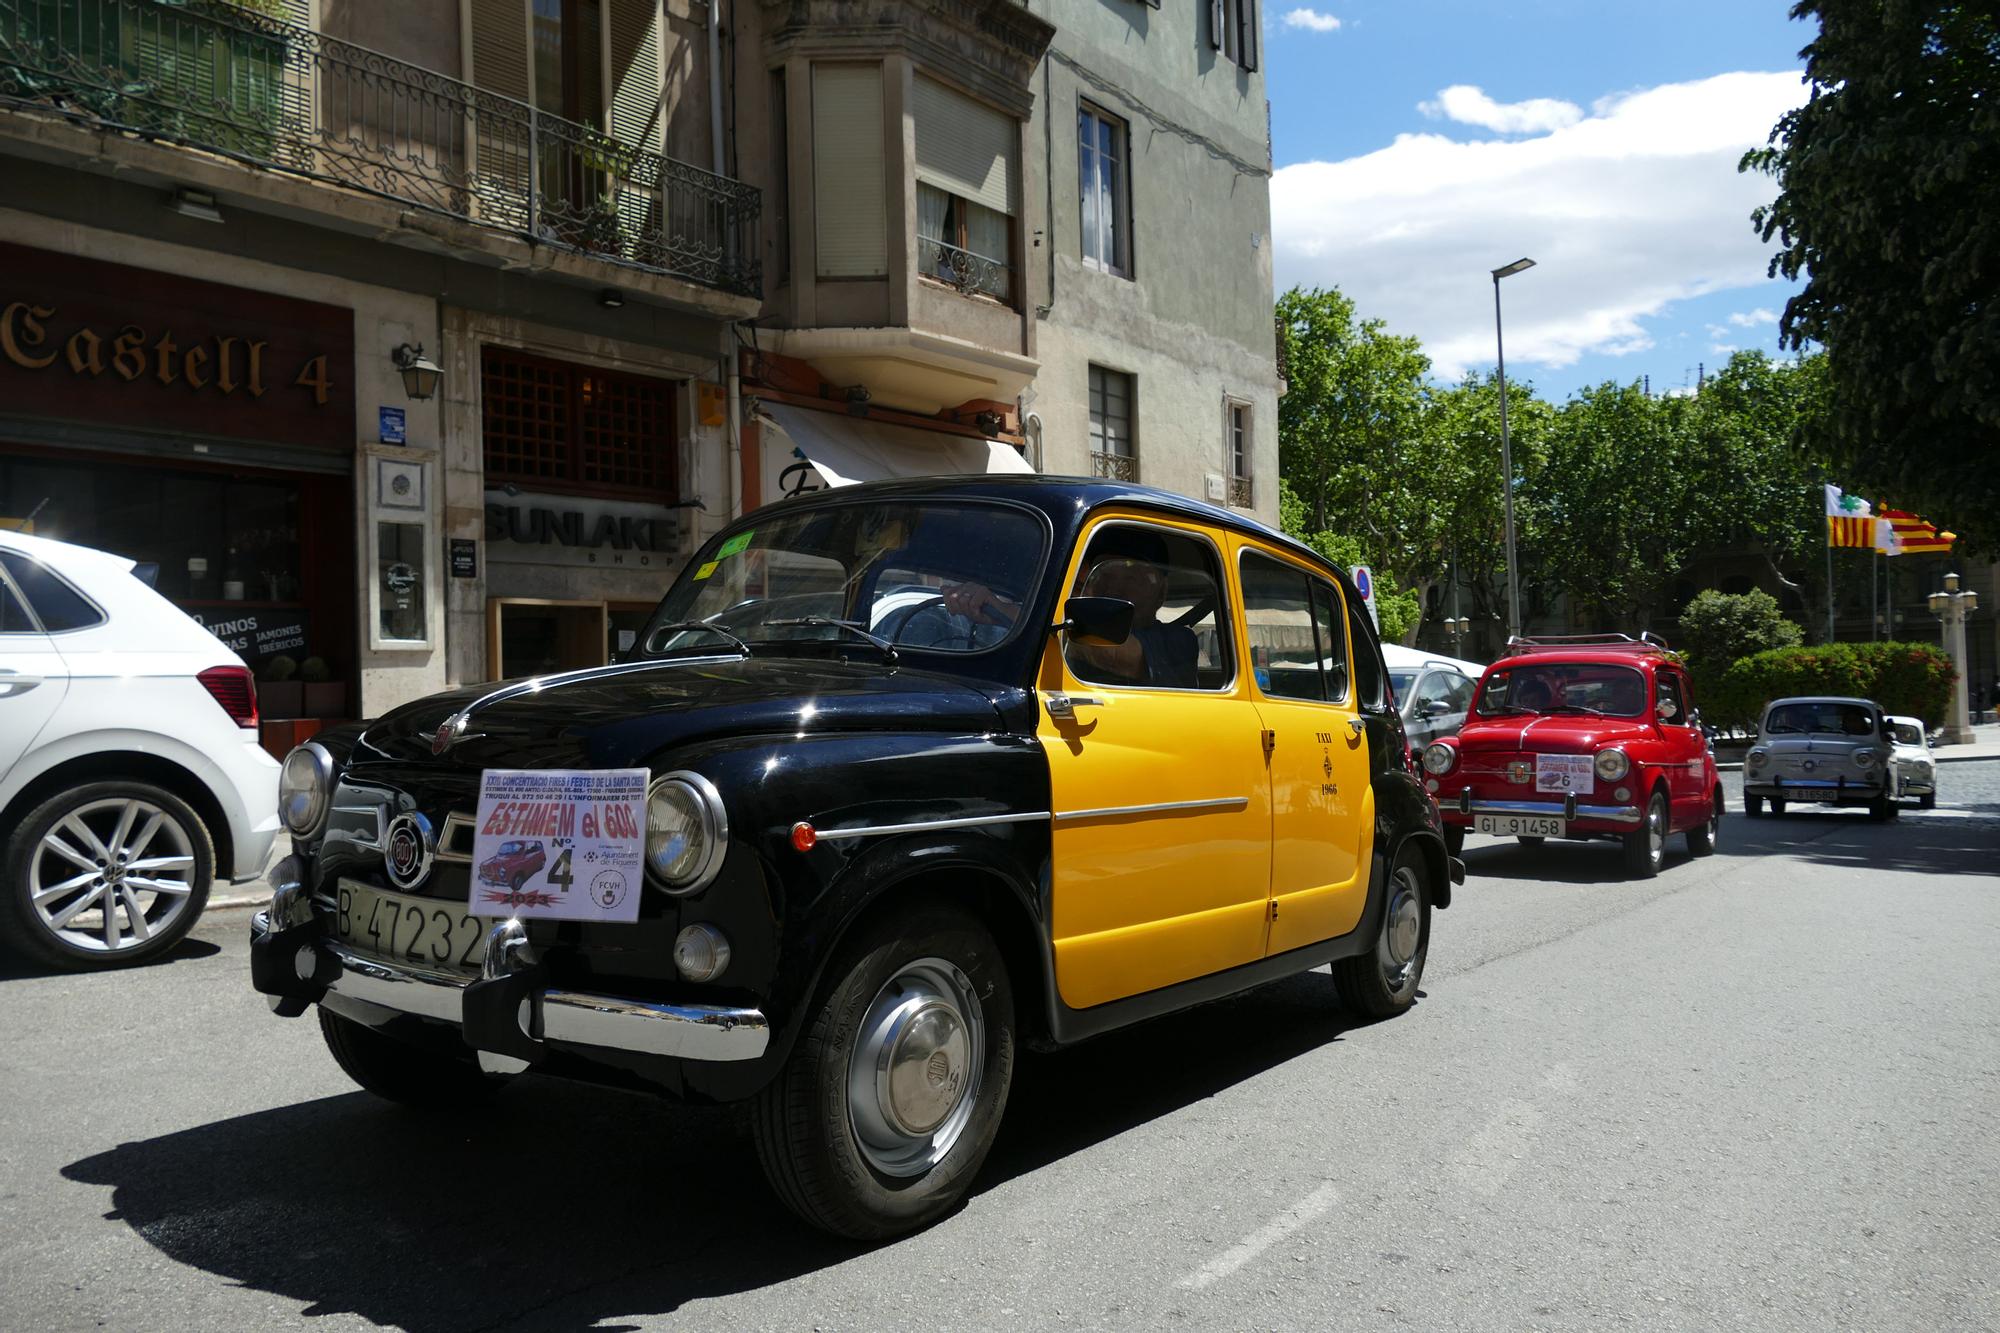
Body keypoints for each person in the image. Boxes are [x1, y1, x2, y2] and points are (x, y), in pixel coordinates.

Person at [1066, 531, 1200, 688]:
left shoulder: (1179, 641)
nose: (1113, 588)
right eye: (1104, 576)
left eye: (1131, 578)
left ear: (1161, 592)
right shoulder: (1074, 622)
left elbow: (1110, 655)